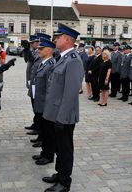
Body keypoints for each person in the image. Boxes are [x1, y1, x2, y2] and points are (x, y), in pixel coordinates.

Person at [42, 23, 84, 192]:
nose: (55, 40)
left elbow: (70, 93)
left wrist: (62, 117)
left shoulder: (73, 61)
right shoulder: (63, 58)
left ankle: (64, 182)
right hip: (56, 113)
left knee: (65, 149)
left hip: (63, 115)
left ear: (67, 39)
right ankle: (59, 174)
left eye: (58, 37)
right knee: (59, 147)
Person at [30, 37, 56, 165]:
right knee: (44, 130)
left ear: (49, 50)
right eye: (39, 48)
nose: (39, 50)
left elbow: (50, 88)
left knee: (48, 132)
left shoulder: (51, 65)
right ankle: (44, 152)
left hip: (46, 104)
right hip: (41, 102)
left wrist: (47, 105)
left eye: (42, 48)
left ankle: (48, 155)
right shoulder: (43, 62)